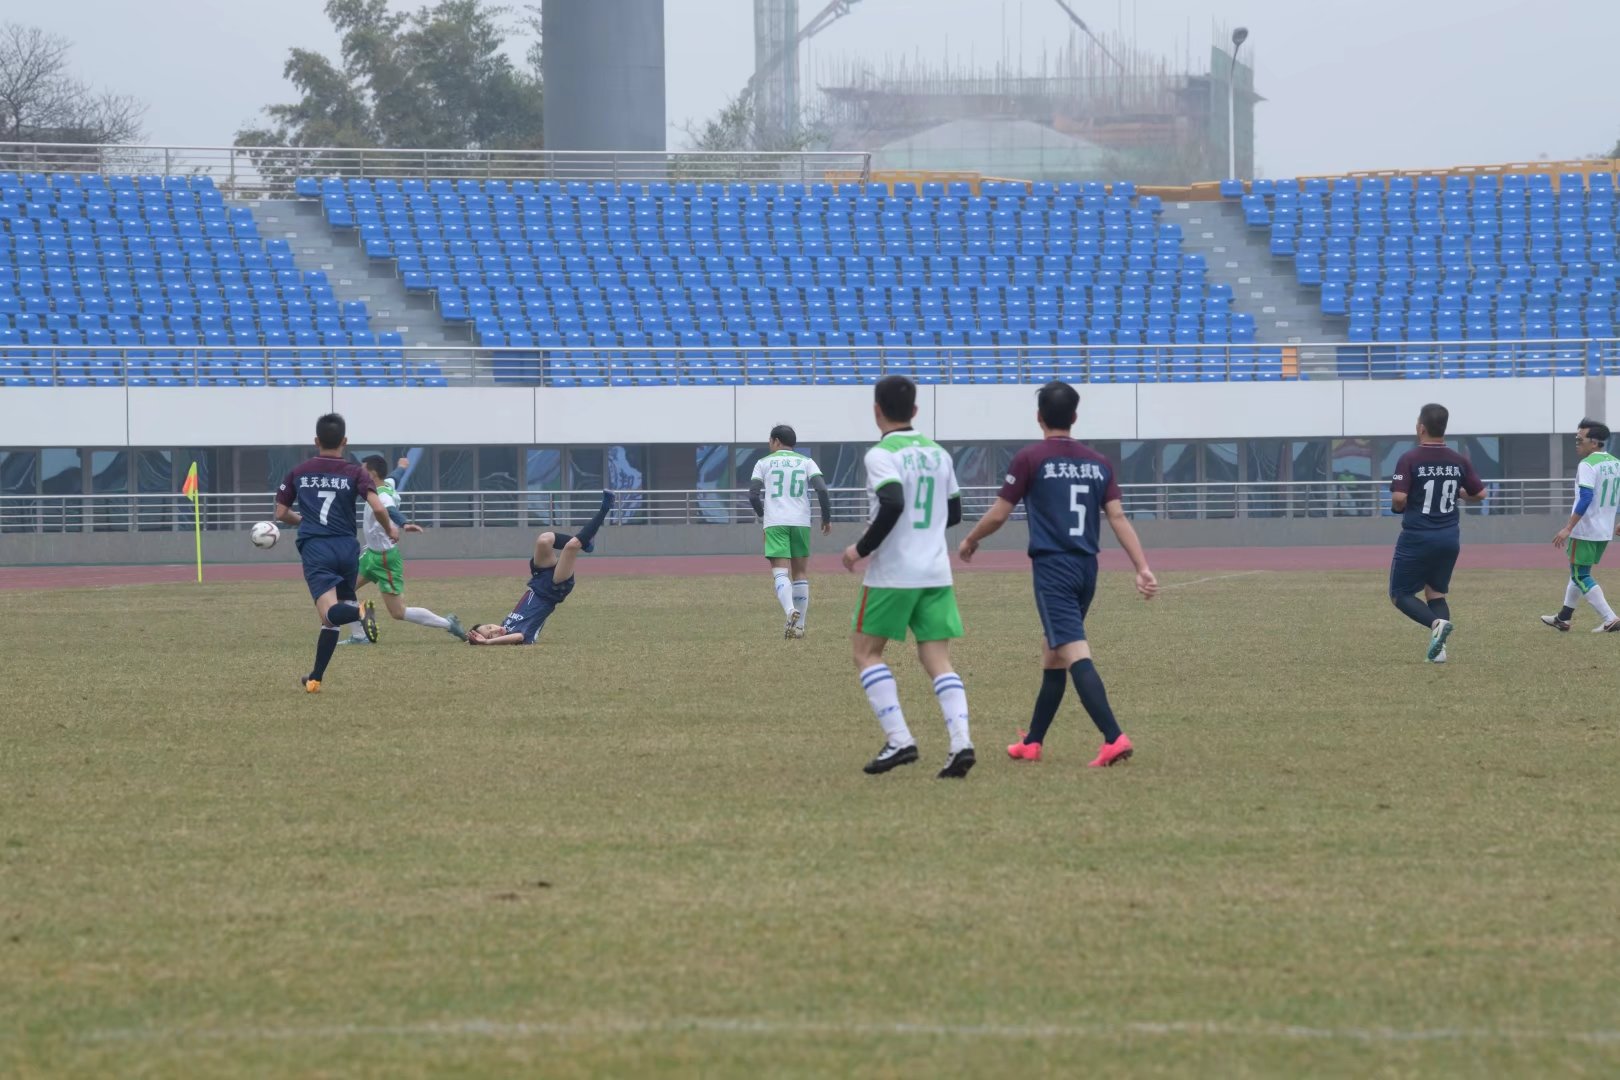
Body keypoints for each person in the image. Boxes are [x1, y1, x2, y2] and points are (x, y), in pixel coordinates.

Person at [958, 381, 1158, 767]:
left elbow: (1000, 513)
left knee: (1075, 652)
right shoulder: (1099, 462)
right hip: (1087, 568)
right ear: (1075, 417)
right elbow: (1116, 517)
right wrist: (1142, 567)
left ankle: (1114, 737)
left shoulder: (1031, 459)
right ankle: (1032, 742)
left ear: (1039, 417)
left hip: (1054, 568)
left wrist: (970, 539)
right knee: (1054, 655)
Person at [841, 375, 974, 779]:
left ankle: (900, 739)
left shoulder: (881, 454)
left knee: (866, 652)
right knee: (937, 658)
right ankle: (961, 742)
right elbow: (953, 513)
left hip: (894, 573)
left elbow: (893, 500)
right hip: (936, 571)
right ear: (915, 411)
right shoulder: (938, 453)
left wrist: (859, 550)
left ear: (876, 410)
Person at [273, 413, 396, 693]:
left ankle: (361, 611)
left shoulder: (299, 472)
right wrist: (389, 528)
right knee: (330, 621)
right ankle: (315, 678)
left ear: (316, 441)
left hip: (317, 547)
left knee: (330, 614)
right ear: (345, 441)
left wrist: (303, 521)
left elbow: (281, 513)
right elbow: (378, 508)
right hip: (347, 548)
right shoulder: (356, 472)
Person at [1387, 403, 1488, 662]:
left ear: (1421, 428)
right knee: (1435, 593)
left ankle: (1435, 625)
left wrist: (1400, 506)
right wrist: (1458, 492)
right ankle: (1440, 650)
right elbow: (1480, 493)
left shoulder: (1409, 459)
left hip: (1418, 536)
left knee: (1400, 594)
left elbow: (1399, 498)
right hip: (1449, 538)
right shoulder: (1458, 460)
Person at [338, 455, 465, 645]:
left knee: (398, 612)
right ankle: (359, 635)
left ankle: (448, 624)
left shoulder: (382, 495)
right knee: (342, 589)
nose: (359, 475)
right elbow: (395, 477)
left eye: (362, 471)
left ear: (372, 474)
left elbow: (389, 510)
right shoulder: (385, 483)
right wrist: (402, 466)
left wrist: (404, 524)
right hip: (370, 554)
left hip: (385, 560)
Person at [465, 490, 616, 645]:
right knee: (572, 546)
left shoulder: (506, 623)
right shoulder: (515, 633)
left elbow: (473, 637)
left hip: (538, 580)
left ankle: (586, 541)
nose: (494, 630)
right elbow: (520, 637)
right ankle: (605, 509)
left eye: (489, 627)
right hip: (553, 590)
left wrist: (470, 638)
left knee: (544, 539)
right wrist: (487, 643)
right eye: (491, 635)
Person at [748, 424, 832, 638]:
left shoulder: (763, 463)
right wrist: (826, 518)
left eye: (770, 441)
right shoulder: (806, 462)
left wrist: (764, 516)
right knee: (800, 573)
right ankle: (800, 626)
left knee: (780, 572)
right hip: (801, 522)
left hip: (776, 522)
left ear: (776, 441)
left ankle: (789, 611)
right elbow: (821, 489)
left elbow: (753, 495)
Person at [1541, 419, 1620, 633]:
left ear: (1594, 443)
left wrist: (1568, 527)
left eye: (1579, 439)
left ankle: (1610, 618)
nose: (1576, 443)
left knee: (1580, 575)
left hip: (1585, 529)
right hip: (1604, 530)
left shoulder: (1587, 464)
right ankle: (1563, 618)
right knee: (1578, 571)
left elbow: (1585, 497)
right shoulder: (1615, 462)